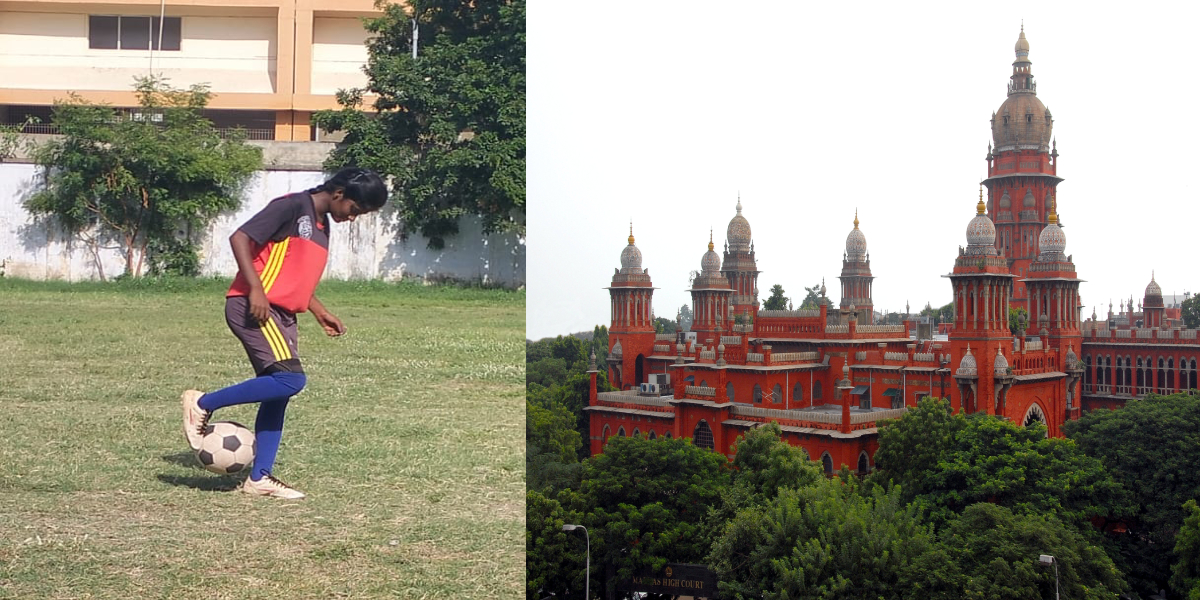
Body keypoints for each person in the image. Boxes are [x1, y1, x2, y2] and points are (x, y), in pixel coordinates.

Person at [182, 167, 388, 499]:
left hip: (284, 314)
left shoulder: (322, 226)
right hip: (255, 307)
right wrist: (256, 291)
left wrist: (320, 311)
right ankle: (202, 404)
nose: (352, 218)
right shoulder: (292, 206)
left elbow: (293, 276)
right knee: (291, 379)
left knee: (278, 393)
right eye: (355, 210)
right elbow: (240, 238)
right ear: (339, 195)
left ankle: (259, 477)